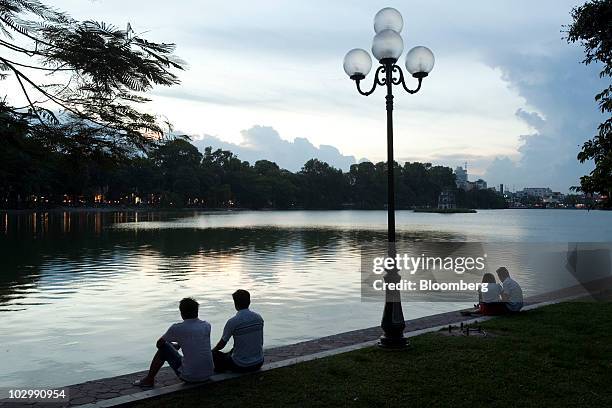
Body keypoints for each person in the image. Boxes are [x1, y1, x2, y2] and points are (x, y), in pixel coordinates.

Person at [134, 297, 214, 387]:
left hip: (190, 377)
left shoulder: (177, 328)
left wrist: (170, 346)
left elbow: (159, 344)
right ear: (197, 311)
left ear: (181, 313)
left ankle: (149, 380)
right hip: (208, 373)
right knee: (169, 346)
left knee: (163, 348)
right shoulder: (206, 325)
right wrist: (175, 345)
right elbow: (194, 341)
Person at [212, 289, 264, 373]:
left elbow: (221, 345)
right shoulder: (259, 318)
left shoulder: (233, 322)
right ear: (249, 302)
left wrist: (212, 351)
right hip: (259, 362)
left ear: (235, 304)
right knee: (232, 350)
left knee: (214, 355)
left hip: (241, 365)